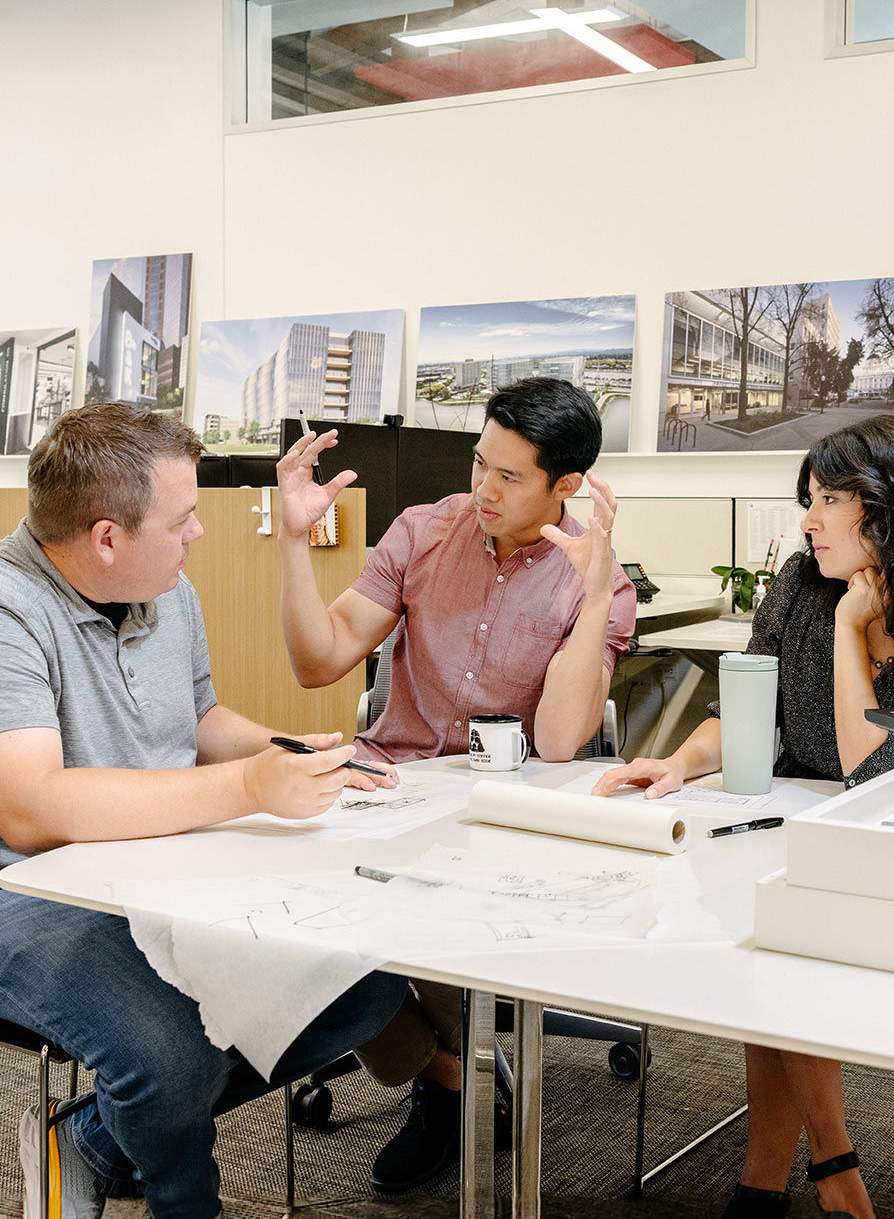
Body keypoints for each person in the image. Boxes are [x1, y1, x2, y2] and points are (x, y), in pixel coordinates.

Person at [0, 403, 406, 1219]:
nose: (199, 532)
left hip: (135, 871)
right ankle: (182, 1198)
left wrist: (290, 752)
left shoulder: (163, 589)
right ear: (106, 537)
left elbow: (197, 723)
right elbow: (31, 810)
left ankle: (90, 1143)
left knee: (361, 990)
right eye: (184, 517)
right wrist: (246, 790)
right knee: (168, 1048)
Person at [592, 415, 894, 1219]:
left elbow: (868, 770)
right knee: (768, 923)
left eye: (828, 500)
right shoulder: (798, 585)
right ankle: (794, 1175)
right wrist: (681, 760)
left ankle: (806, 1172)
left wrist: (848, 628)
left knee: (780, 934)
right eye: (808, 499)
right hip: (800, 838)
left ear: (891, 505)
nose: (807, 521)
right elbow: (746, 711)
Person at [277, 375, 637, 1194]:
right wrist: (295, 543)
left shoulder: (601, 582)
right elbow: (316, 661)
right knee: (286, 911)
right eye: (480, 464)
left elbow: (557, 739)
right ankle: (448, 1072)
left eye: (509, 477)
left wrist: (588, 599)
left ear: (566, 486)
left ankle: (445, 1093)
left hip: (492, 806)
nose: (483, 489)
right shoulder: (423, 531)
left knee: (432, 910)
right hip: (387, 780)